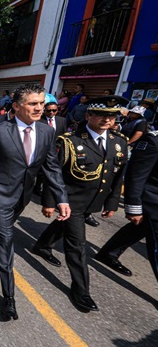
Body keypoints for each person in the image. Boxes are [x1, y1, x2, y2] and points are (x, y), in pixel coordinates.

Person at [0, 84, 70, 321]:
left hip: (23, 195)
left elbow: (51, 167)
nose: (39, 108)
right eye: (33, 104)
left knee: (1, 229)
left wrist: (61, 199)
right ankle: (9, 298)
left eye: (41, 103)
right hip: (0, 195)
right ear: (17, 106)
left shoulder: (47, 132)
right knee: (7, 240)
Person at [32, 96, 129, 312]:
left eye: (111, 116)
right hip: (71, 200)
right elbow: (53, 174)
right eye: (102, 115)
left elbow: (118, 176)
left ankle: (42, 245)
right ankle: (81, 291)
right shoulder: (70, 141)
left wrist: (112, 203)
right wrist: (49, 202)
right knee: (77, 245)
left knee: (63, 225)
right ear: (88, 116)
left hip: (94, 201)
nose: (107, 120)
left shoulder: (119, 141)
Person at [95, 129, 158, 281]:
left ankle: (108, 253)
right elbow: (135, 175)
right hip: (153, 200)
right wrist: (133, 207)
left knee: (140, 228)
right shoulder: (153, 141)